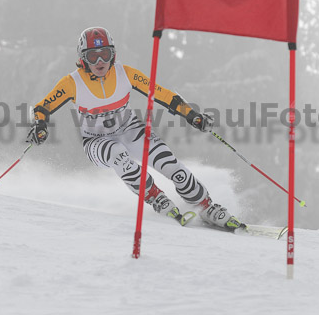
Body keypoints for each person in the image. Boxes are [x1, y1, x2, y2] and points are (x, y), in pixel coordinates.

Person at [27, 27, 243, 231]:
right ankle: (155, 196)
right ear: (83, 58)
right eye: (93, 56)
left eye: (105, 54)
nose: (100, 61)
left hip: (131, 130)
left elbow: (162, 94)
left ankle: (206, 206)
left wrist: (191, 114)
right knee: (118, 155)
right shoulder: (72, 82)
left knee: (171, 165)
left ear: (113, 54)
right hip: (96, 141)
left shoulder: (125, 74)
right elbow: (43, 107)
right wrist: (40, 125)